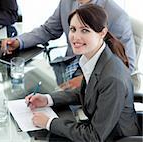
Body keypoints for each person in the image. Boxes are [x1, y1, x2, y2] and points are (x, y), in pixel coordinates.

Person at [25, 4, 139, 142]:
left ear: (102, 33)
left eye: (85, 30)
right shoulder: (93, 58)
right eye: (73, 29)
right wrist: (48, 99)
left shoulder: (112, 78)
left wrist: (49, 123)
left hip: (114, 137)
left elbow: (94, 136)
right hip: (99, 130)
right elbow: (87, 92)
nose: (75, 37)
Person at [1, 0, 136, 85]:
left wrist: (87, 79)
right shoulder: (66, 2)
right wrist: (19, 41)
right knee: (26, 88)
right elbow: (48, 30)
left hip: (95, 76)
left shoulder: (117, 15)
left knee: (57, 108)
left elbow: (126, 65)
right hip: (67, 64)